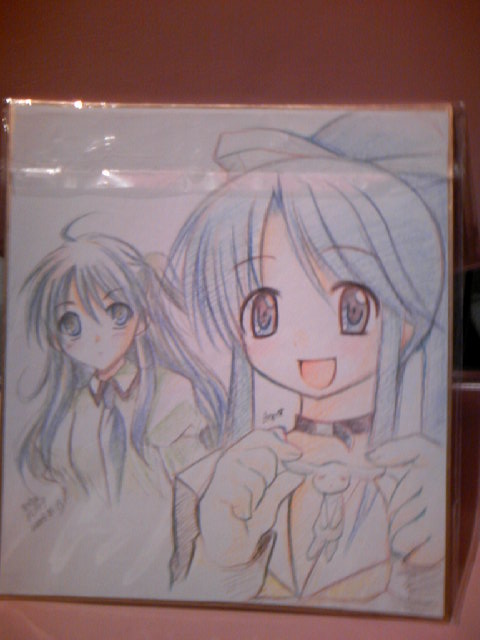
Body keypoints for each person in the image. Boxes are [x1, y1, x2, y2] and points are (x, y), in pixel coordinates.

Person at [167, 112, 448, 615]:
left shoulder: (419, 477)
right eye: (266, 314)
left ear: (407, 313)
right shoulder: (214, 483)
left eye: (352, 309)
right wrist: (227, 560)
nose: (306, 345)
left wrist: (425, 566)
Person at [18, 220, 209, 507]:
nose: (97, 337)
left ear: (142, 318)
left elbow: (195, 482)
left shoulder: (170, 390)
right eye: (71, 324)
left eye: (116, 313)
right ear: (55, 339)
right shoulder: (72, 413)